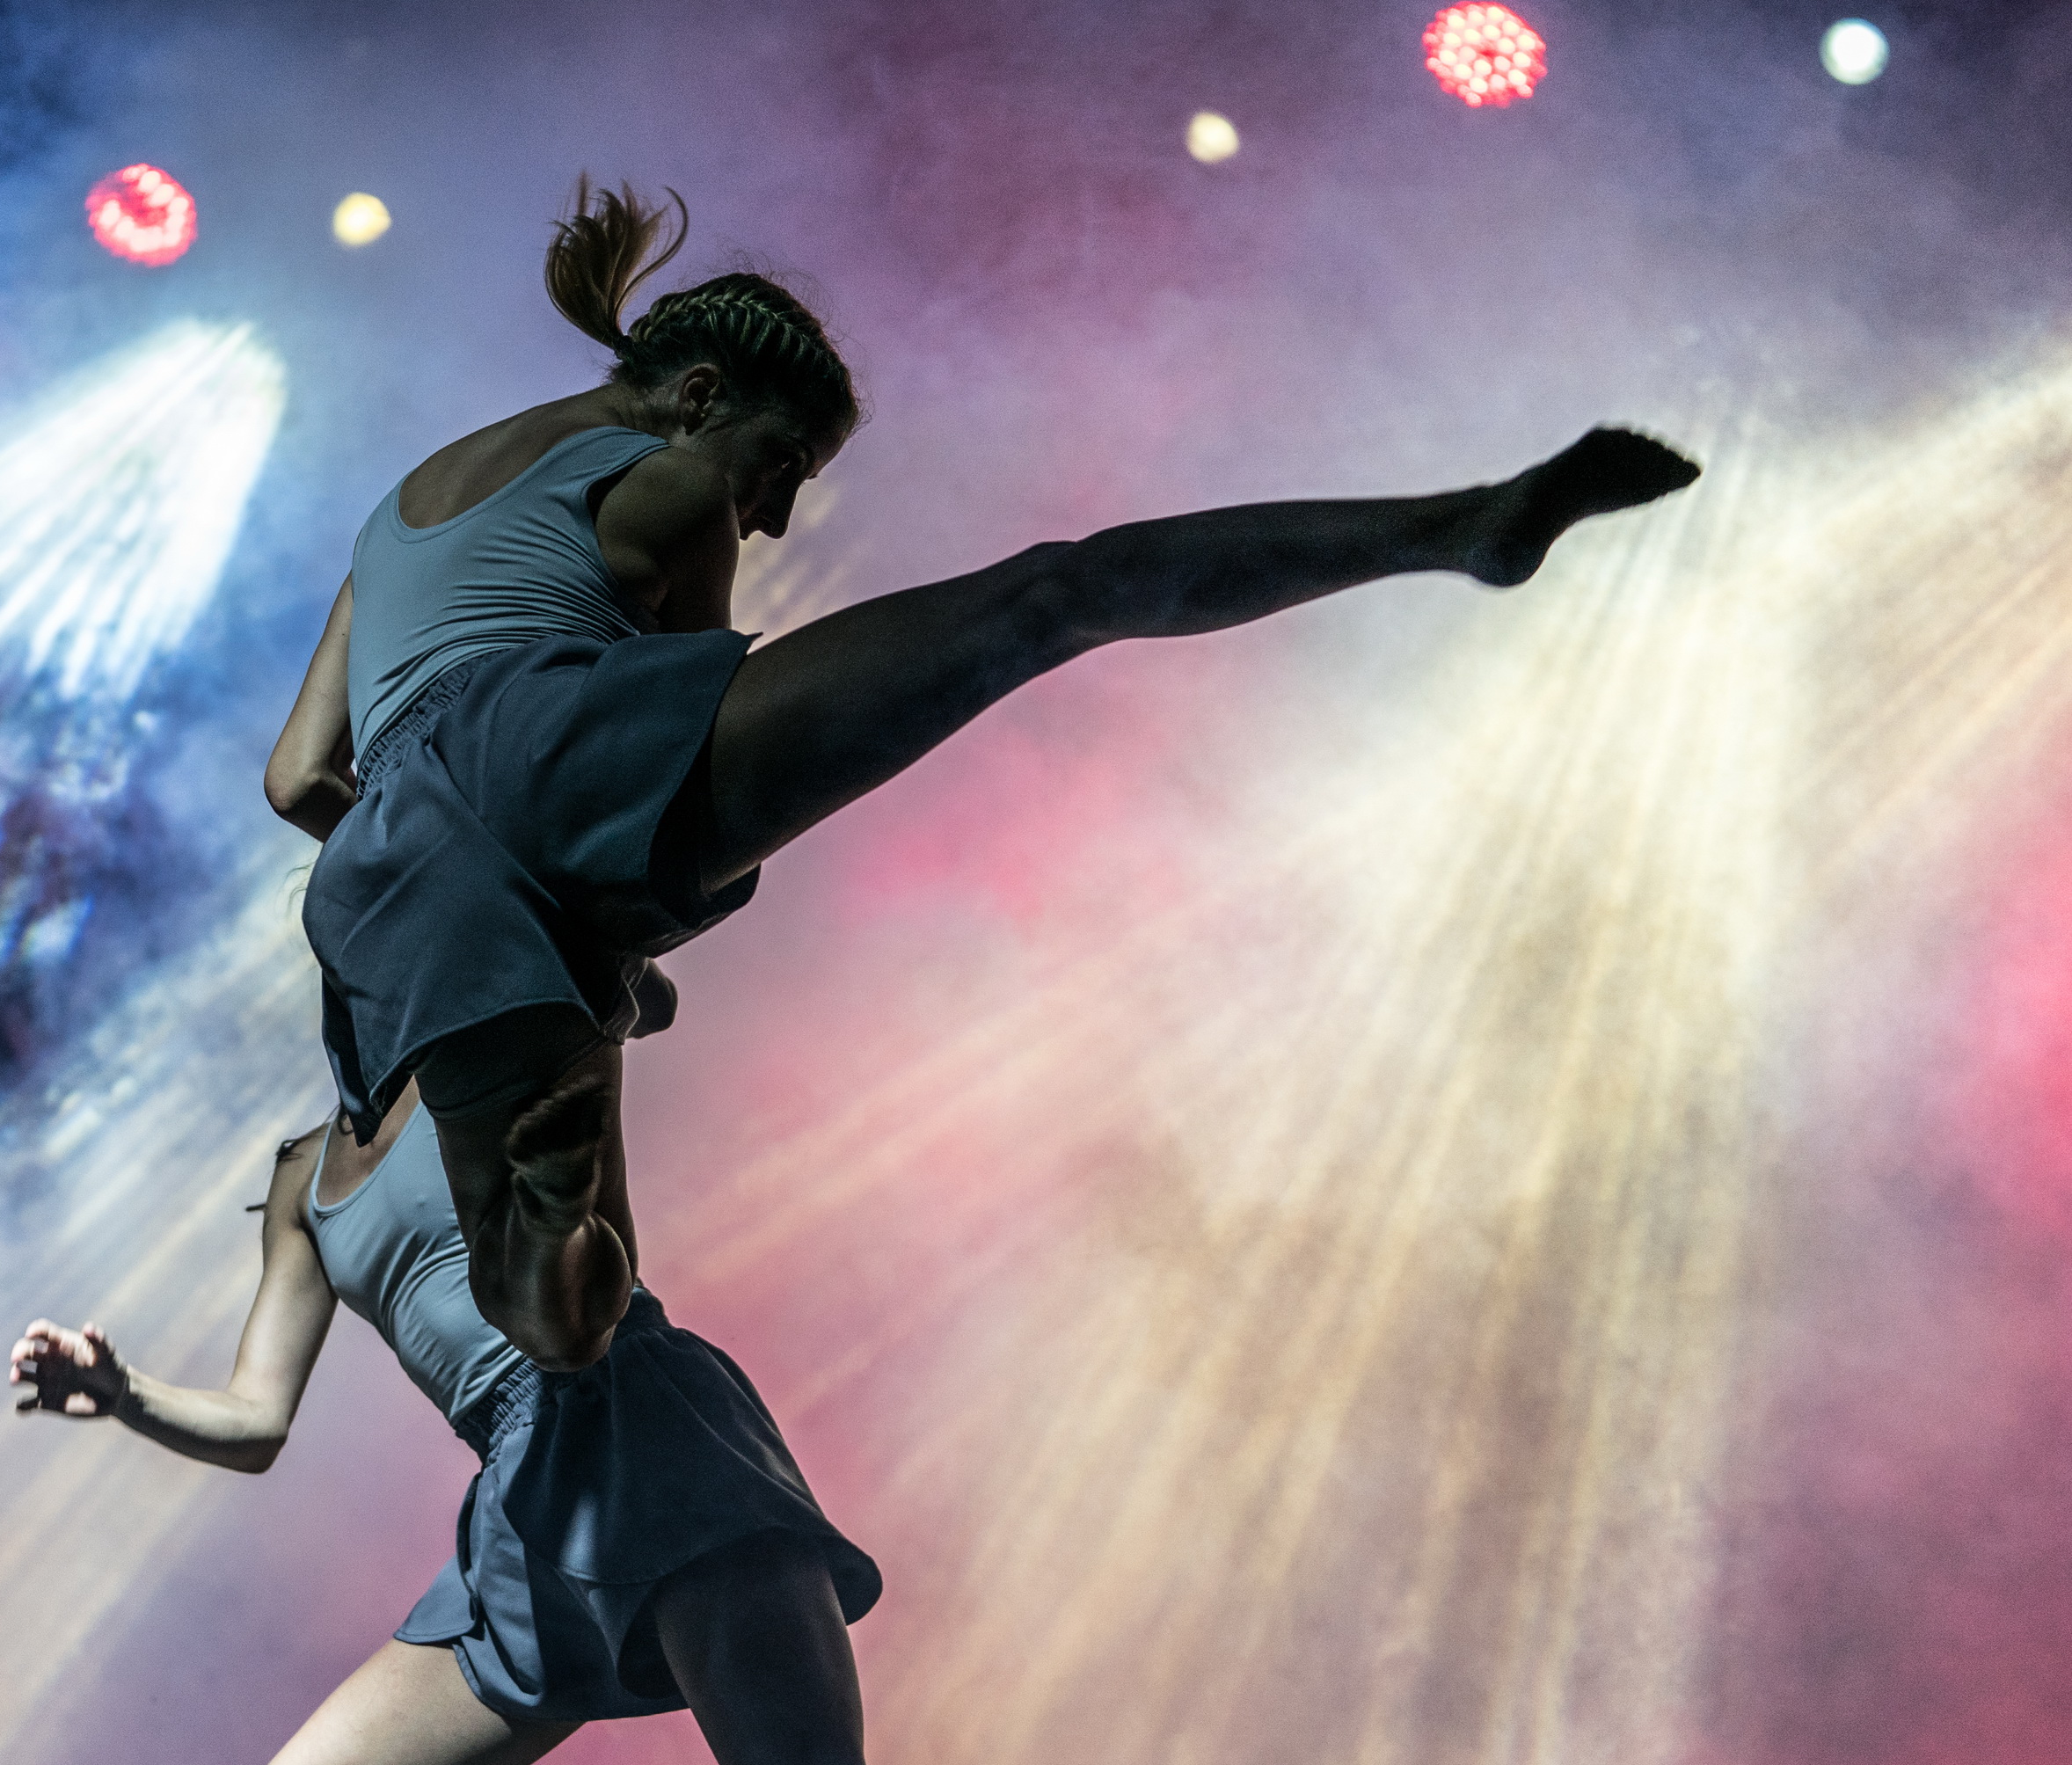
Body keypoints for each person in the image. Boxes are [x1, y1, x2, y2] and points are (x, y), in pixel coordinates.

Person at [266, 178, 1702, 1373]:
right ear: (701, 397)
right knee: (1053, 595)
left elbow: (298, 779)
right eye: (782, 464)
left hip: (390, 881)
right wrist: (582, 887)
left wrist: (517, 901)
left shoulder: (398, 513)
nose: (775, 513)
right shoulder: (680, 479)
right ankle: (1460, 526)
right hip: (550, 745)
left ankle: (551, 1171)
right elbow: (671, 730)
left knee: (563, 1318)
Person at [11, 1076, 1027, 1765]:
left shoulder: (475, 1039)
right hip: (520, 1495)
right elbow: (256, 1415)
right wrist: (125, 1391)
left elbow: (624, 998)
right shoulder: (299, 1180)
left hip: (633, 1420)